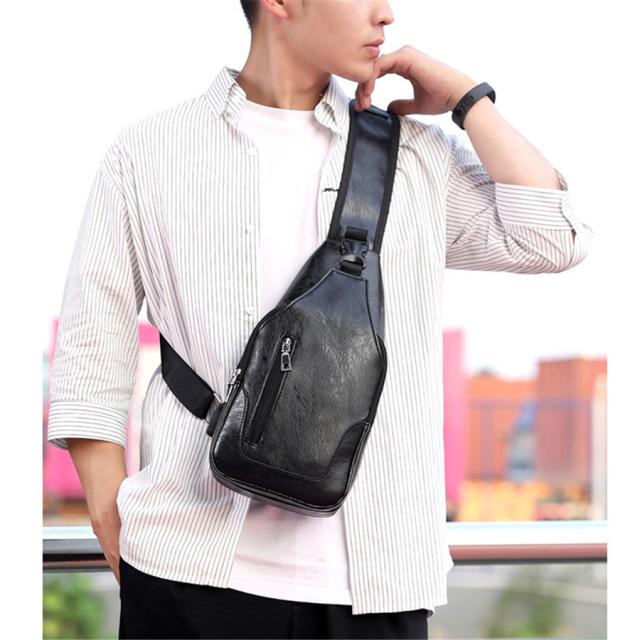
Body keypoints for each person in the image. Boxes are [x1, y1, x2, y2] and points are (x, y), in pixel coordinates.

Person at [46, 0, 594, 638]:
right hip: (187, 567)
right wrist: (115, 526)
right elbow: (91, 355)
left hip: (378, 581)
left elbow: (554, 238)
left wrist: (468, 100)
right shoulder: (150, 152)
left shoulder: (411, 154)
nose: (386, 14)